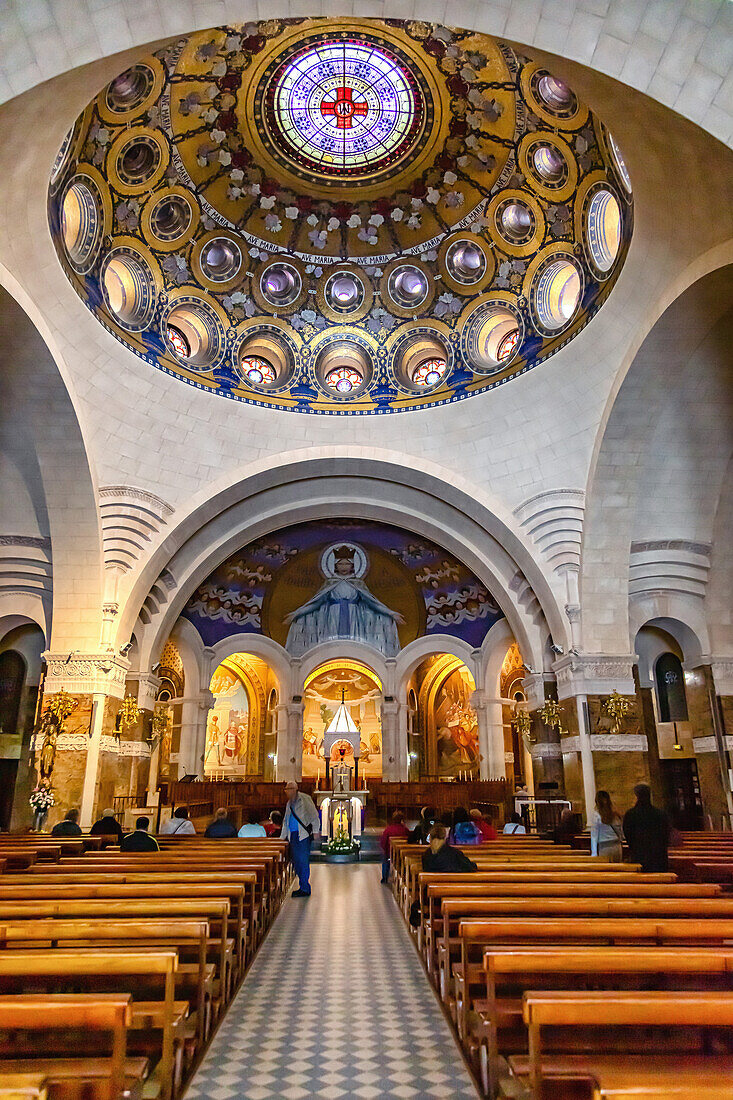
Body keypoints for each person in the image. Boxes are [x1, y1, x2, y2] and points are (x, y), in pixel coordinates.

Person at [281, 781, 320, 897]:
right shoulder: (289, 803)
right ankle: (302, 885)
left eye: (289, 790)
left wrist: (316, 830)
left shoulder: (305, 799)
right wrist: (282, 837)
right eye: (286, 790)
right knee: (296, 861)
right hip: (292, 835)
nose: (287, 793)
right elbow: (285, 821)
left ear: (295, 789)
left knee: (302, 860)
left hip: (302, 835)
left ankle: (305, 888)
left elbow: (314, 815)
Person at [623, 783, 670, 872]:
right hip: (659, 857)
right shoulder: (661, 814)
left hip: (639, 855)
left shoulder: (630, 814)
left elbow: (628, 835)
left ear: (637, 797)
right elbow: (665, 835)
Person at [590, 790, 623, 861]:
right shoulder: (615, 814)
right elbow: (620, 830)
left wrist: (594, 853)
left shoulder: (596, 815)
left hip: (604, 847)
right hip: (616, 846)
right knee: (618, 870)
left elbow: (594, 835)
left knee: (607, 870)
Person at [379, 810, 409, 884]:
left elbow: (383, 842)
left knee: (385, 859)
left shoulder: (389, 829)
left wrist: (386, 850)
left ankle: (384, 877)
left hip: (391, 853)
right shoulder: (405, 829)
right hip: (403, 853)